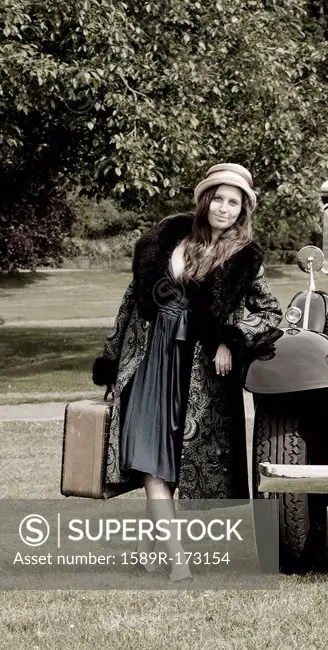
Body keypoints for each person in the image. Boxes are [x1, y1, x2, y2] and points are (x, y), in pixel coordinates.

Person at [92, 163, 282, 581]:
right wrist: (110, 359)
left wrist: (229, 339)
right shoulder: (168, 240)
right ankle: (178, 561)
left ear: (243, 210)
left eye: (235, 202)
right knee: (152, 463)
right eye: (219, 198)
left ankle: (145, 554)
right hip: (148, 359)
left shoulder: (244, 258)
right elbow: (129, 304)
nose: (225, 208)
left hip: (196, 372)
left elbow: (271, 313)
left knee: (170, 461)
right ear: (206, 199)